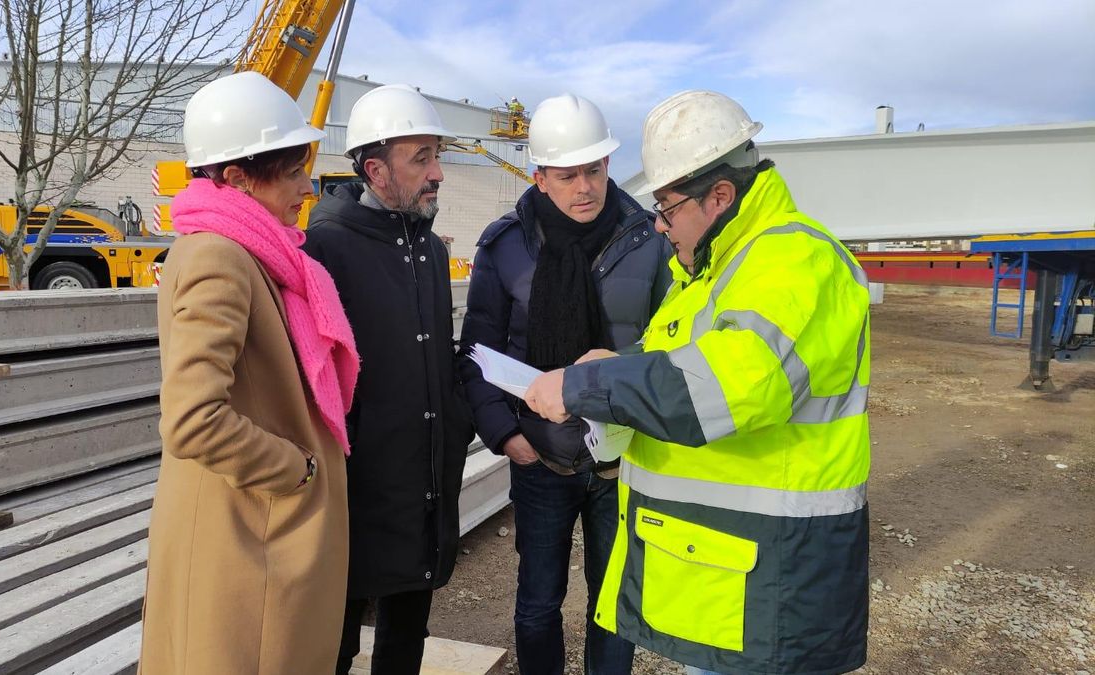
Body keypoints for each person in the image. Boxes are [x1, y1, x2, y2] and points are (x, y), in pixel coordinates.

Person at [524, 90, 871, 675]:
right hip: (736, 578)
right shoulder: (721, 267)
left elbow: (724, 387)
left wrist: (587, 385)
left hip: (775, 579)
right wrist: (616, 361)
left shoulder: (791, 261)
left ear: (720, 195)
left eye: (667, 208)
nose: (659, 228)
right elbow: (676, 354)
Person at [138, 71, 359, 675]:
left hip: (251, 533)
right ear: (236, 177)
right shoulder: (220, 256)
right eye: (290, 171)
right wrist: (297, 470)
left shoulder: (252, 250)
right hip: (248, 540)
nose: (306, 186)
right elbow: (192, 420)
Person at [459, 93, 671, 675]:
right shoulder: (505, 247)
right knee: (537, 605)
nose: (586, 186)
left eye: (595, 169)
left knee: (615, 608)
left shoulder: (647, 240)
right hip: (541, 460)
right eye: (568, 173)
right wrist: (506, 435)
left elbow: (674, 342)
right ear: (540, 177)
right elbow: (479, 351)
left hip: (621, 462)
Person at [302, 84, 475, 675]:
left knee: (406, 638)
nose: (439, 174)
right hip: (358, 488)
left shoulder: (425, 247)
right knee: (335, 641)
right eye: (421, 158)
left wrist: (457, 420)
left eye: (437, 156)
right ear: (375, 170)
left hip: (423, 478)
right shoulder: (326, 248)